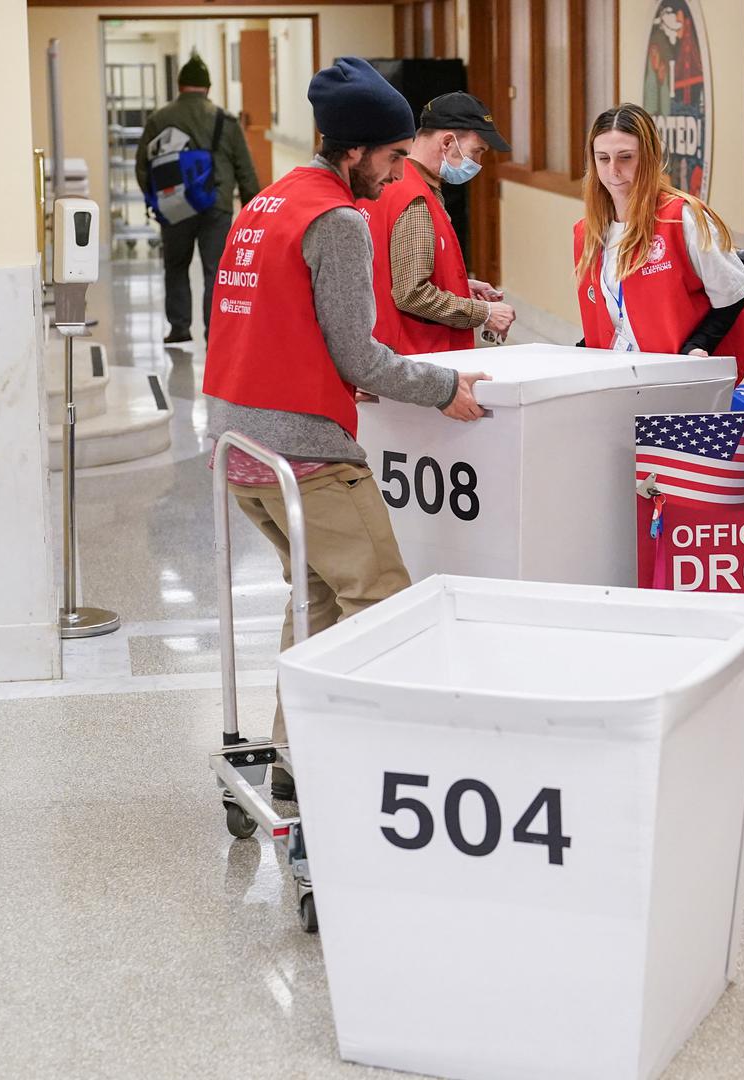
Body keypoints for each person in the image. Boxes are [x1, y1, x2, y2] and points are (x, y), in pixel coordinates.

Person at [202, 56, 490, 801]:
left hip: (239, 449)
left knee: (318, 598)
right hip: (305, 454)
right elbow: (357, 351)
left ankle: (296, 753)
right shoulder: (338, 220)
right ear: (356, 150)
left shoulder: (266, 202)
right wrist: (440, 385)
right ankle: (376, 773)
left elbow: (269, 326)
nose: (397, 174)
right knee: (386, 604)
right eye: (394, 156)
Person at [573, 103, 744, 374]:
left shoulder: (681, 218)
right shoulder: (588, 232)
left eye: (625, 157)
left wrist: (699, 344)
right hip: (623, 374)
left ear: (649, 157)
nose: (613, 170)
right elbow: (611, 315)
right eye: (603, 158)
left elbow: (734, 290)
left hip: (677, 374)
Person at [358, 92, 516, 353]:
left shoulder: (384, 183)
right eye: (477, 152)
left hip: (380, 342)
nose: (478, 164)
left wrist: (457, 286)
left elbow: (393, 269)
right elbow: (411, 293)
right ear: (446, 142)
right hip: (416, 355)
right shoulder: (415, 199)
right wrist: (484, 313)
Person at [136, 54, 261, 346]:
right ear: (207, 87)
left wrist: (156, 200)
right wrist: (252, 212)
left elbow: (142, 165)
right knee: (215, 270)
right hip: (216, 205)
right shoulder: (225, 120)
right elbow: (245, 169)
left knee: (176, 266)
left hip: (175, 205)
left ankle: (179, 327)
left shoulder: (159, 118)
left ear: (180, 85)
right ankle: (215, 332)